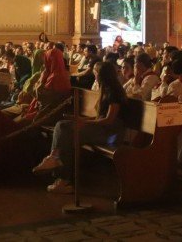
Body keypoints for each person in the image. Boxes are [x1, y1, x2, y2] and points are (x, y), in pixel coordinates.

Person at [33, 62, 127, 193]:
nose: (93, 73)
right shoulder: (105, 89)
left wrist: (86, 123)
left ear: (101, 74)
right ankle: (58, 167)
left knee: (67, 133)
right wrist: (81, 119)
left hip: (109, 132)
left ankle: (60, 173)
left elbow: (109, 120)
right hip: (101, 128)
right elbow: (100, 117)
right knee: (62, 125)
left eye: (95, 71)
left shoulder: (114, 92)